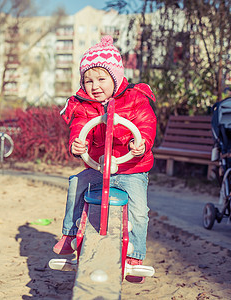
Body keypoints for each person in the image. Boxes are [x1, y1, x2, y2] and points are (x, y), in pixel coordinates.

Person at [54, 36, 157, 283]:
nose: (94, 86)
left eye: (101, 79)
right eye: (88, 80)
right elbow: (80, 128)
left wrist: (141, 142)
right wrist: (78, 144)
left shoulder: (135, 98)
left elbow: (146, 123)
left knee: (140, 211)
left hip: (131, 168)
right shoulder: (84, 105)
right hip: (100, 168)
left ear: (116, 78)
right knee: (75, 183)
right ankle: (70, 234)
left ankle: (136, 256)